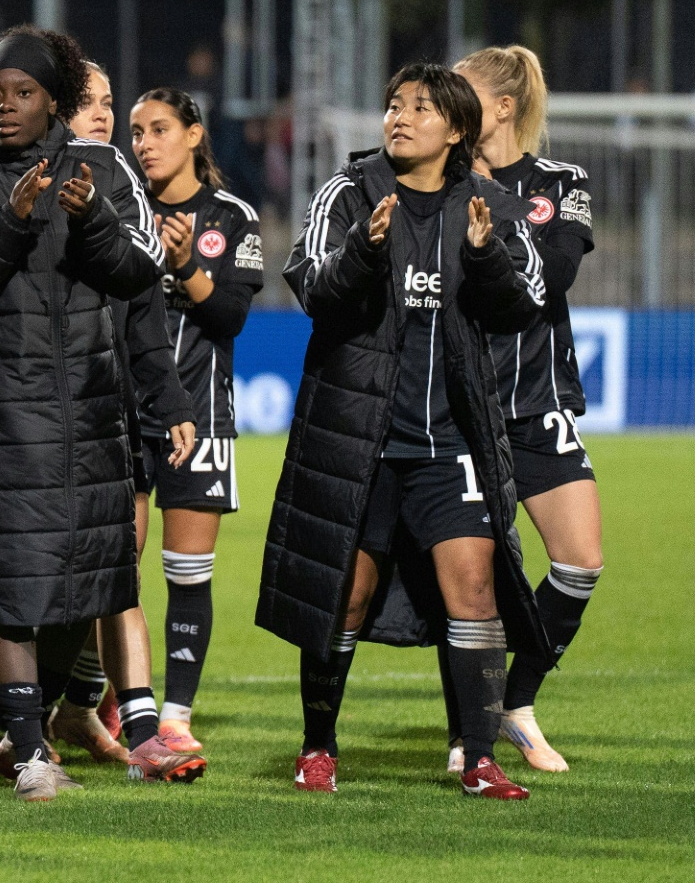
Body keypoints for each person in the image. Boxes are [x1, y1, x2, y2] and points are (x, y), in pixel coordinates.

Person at [0, 25, 202, 801]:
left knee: (90, 579)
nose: (4, 107)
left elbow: (141, 278)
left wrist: (94, 223)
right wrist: (9, 220)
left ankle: (16, 730)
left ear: (55, 101)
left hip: (93, 408)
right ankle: (27, 751)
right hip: (4, 410)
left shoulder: (102, 167)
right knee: (8, 581)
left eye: (24, 93)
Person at [263, 61, 549, 800]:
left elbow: (524, 309)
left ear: (456, 130)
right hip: (362, 441)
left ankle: (480, 759)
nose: (399, 117)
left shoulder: (486, 207)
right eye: (393, 105)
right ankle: (317, 748)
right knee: (346, 597)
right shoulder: (347, 193)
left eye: (420, 108)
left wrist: (484, 261)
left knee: (475, 590)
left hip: (451, 443)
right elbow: (311, 289)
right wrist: (364, 251)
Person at [44, 64, 196, 769]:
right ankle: (9, 718)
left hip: (115, 410)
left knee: (118, 572)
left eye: (109, 103)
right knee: (26, 583)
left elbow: (145, 309)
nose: (102, 115)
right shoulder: (13, 183)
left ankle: (134, 729)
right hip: (38, 418)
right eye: (88, 103)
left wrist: (168, 404)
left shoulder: (121, 185)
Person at [453, 45, 600, 774]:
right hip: (459, 405)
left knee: (580, 561)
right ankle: (470, 729)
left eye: (463, 91)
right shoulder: (437, 179)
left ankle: (517, 702)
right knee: (466, 582)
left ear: (503, 106)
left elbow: (555, 273)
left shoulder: (559, 182)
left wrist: (489, 196)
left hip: (538, 400)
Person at [125, 86, 262, 751]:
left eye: (158, 129)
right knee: (116, 572)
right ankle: (120, 707)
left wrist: (184, 266)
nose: (144, 143)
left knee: (186, 573)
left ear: (194, 134)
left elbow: (231, 317)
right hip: (120, 415)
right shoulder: (121, 209)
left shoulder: (231, 216)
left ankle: (175, 715)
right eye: (137, 132)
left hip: (201, 417)